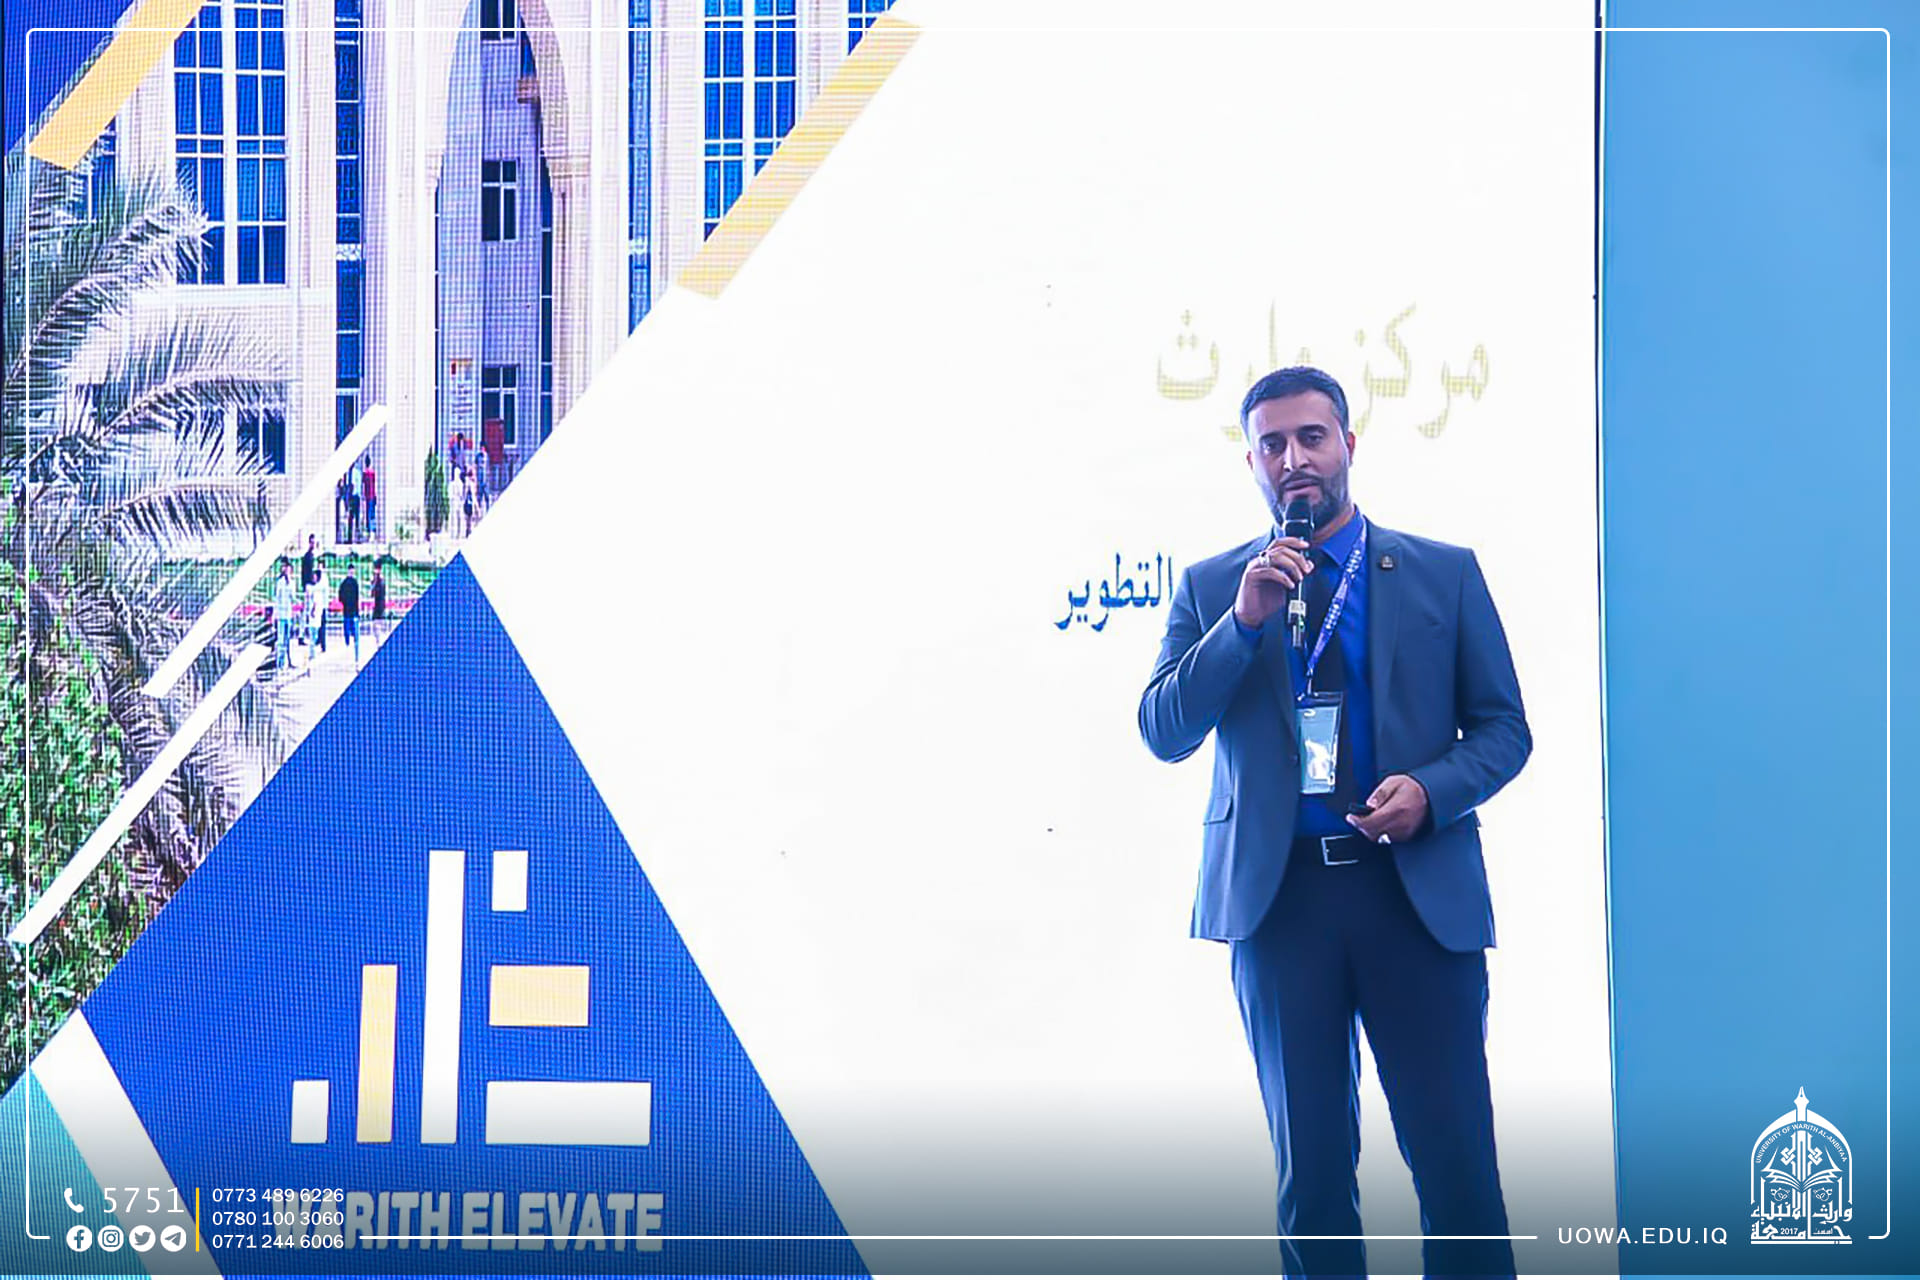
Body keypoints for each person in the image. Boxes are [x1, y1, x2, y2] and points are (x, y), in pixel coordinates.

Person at [1137, 366, 1530, 1280]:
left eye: (1311, 437)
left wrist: (1430, 790)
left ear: (1348, 444)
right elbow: (1163, 730)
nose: (1293, 459)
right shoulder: (1213, 586)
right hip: (1282, 908)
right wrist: (1241, 623)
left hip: (1413, 898)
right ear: (1251, 462)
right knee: (1311, 1185)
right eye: (1271, 444)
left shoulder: (1442, 572)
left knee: (1459, 1174)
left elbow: (1505, 730)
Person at [271, 559, 294, 670]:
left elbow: (292, 597)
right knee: (280, 640)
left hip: (288, 614)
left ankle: (288, 661)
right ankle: (279, 663)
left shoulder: (292, 583)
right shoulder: (279, 582)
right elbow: (277, 598)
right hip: (281, 614)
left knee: (287, 639)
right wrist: (275, 614)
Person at [338, 562, 362, 665]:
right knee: (348, 629)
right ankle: (348, 643)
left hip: (351, 610)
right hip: (349, 610)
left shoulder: (352, 583)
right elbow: (341, 595)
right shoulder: (346, 583)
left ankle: (350, 644)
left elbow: (356, 597)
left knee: (350, 629)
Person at [362, 456, 378, 542]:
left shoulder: (365, 473)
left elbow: (364, 484)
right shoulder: (372, 473)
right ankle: (372, 531)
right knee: (372, 514)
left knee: (368, 514)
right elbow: (374, 483)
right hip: (372, 495)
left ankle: (369, 531)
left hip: (367, 496)